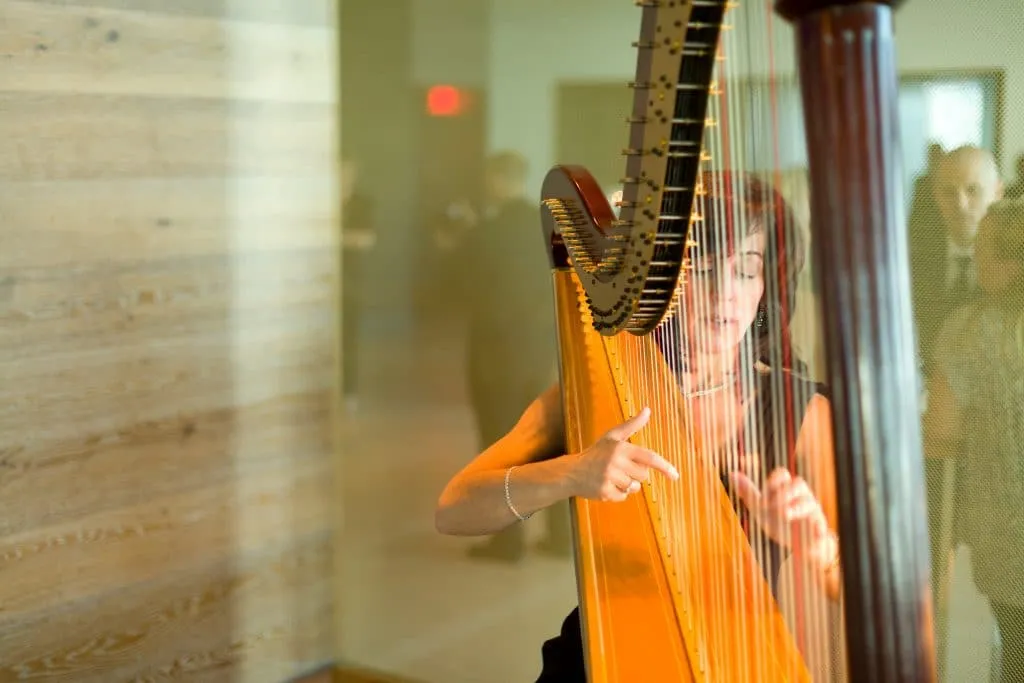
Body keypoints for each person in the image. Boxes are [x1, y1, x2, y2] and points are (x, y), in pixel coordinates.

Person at [436, 172, 845, 680]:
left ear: (767, 286)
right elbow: (453, 509)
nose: (724, 295)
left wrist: (819, 549)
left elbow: (864, 597)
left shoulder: (801, 413)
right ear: (662, 280)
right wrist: (572, 473)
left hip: (734, 661)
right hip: (600, 654)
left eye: (746, 271)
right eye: (703, 267)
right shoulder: (597, 394)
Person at [923, 198, 1024, 682]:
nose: (974, 260)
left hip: (1010, 539)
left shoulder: (973, 329)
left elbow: (941, 431)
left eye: (982, 251)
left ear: (1011, 263)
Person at [458, 151, 570, 562]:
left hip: (494, 353)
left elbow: (455, 284)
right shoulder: (547, 224)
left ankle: (507, 542)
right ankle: (559, 537)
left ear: (495, 180)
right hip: (538, 349)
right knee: (545, 441)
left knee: (500, 445)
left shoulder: (486, 230)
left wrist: (462, 238)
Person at [341, 158, 376, 412]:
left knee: (348, 337)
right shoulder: (319, 199)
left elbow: (365, 239)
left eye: (347, 171)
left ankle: (348, 391)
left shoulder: (363, 202)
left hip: (351, 280)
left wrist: (331, 236)